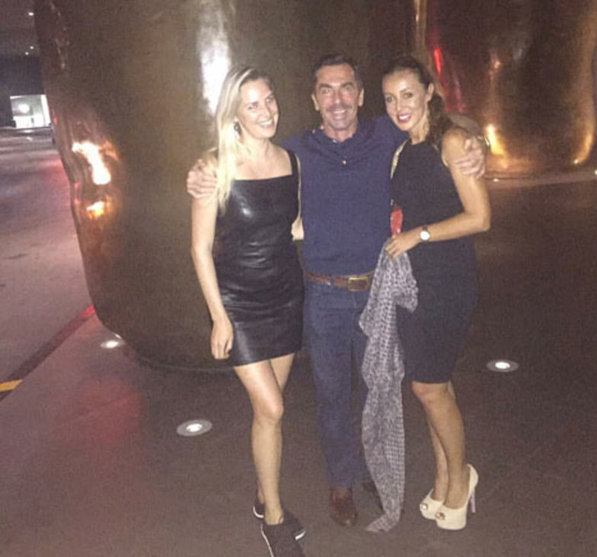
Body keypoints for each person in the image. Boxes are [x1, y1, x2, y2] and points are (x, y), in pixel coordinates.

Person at [187, 53, 485, 528]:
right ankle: (340, 481)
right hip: (321, 294)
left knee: (377, 390)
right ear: (314, 100)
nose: (338, 99)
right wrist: (201, 170)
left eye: (347, 88)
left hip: (377, 291)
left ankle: (370, 470)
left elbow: (443, 125)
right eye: (326, 90)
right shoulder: (295, 151)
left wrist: (476, 142)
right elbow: (239, 153)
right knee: (331, 395)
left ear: (362, 96)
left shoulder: (386, 134)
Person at [190, 66, 306, 557]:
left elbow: (293, 225)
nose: (266, 111)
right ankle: (274, 518)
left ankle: (263, 495)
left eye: (270, 99)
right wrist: (219, 316)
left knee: (268, 411)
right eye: (253, 104)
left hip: (286, 297)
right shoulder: (214, 167)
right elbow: (200, 248)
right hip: (239, 304)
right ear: (235, 114)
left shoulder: (290, 160)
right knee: (273, 409)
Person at [382, 55, 491, 531]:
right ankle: (444, 474)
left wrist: (419, 235)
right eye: (390, 98)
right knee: (433, 385)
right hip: (412, 282)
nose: (399, 106)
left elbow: (480, 217)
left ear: (429, 92)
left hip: (447, 279)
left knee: (428, 386)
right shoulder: (403, 149)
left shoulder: (453, 141)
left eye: (408, 94)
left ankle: (462, 475)